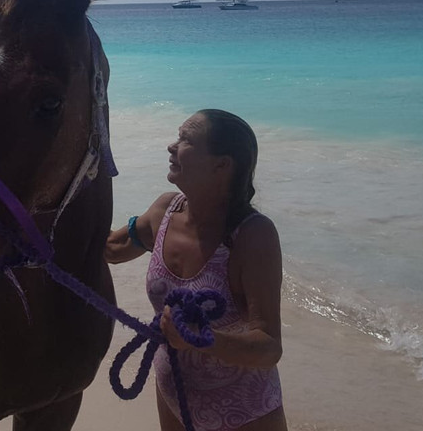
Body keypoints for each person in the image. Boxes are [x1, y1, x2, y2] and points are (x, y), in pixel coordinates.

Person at [105, 110, 287, 431]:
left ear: (222, 165)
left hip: (245, 412)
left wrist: (201, 338)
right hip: (174, 398)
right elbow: (111, 249)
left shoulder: (252, 235)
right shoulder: (164, 211)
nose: (171, 146)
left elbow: (269, 347)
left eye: (186, 139)